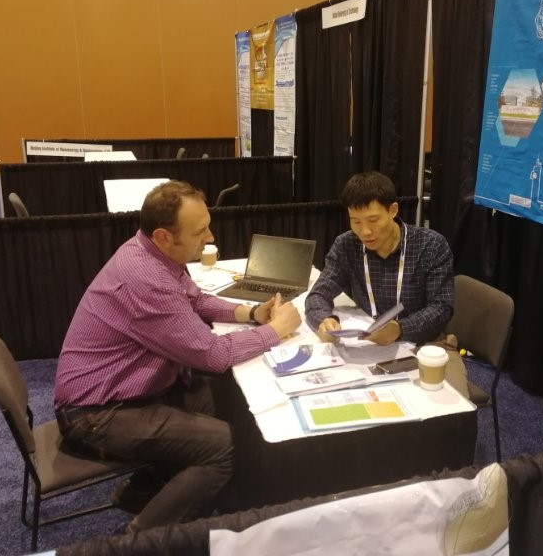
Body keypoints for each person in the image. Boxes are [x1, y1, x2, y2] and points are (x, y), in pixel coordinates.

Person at [53, 180, 301, 533]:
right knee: (225, 447)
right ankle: (138, 541)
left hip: (130, 391)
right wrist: (275, 331)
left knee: (233, 398)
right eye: (199, 232)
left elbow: (195, 300)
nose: (211, 237)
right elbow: (213, 355)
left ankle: (144, 488)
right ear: (163, 236)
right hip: (98, 413)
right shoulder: (147, 280)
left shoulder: (150, 253)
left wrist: (251, 313)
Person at [304, 171, 454, 345]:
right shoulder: (346, 245)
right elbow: (318, 294)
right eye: (356, 222)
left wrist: (400, 329)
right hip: (368, 345)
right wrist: (324, 320)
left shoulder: (431, 245)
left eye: (373, 220)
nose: (365, 232)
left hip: (420, 344)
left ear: (393, 210)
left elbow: (442, 307)